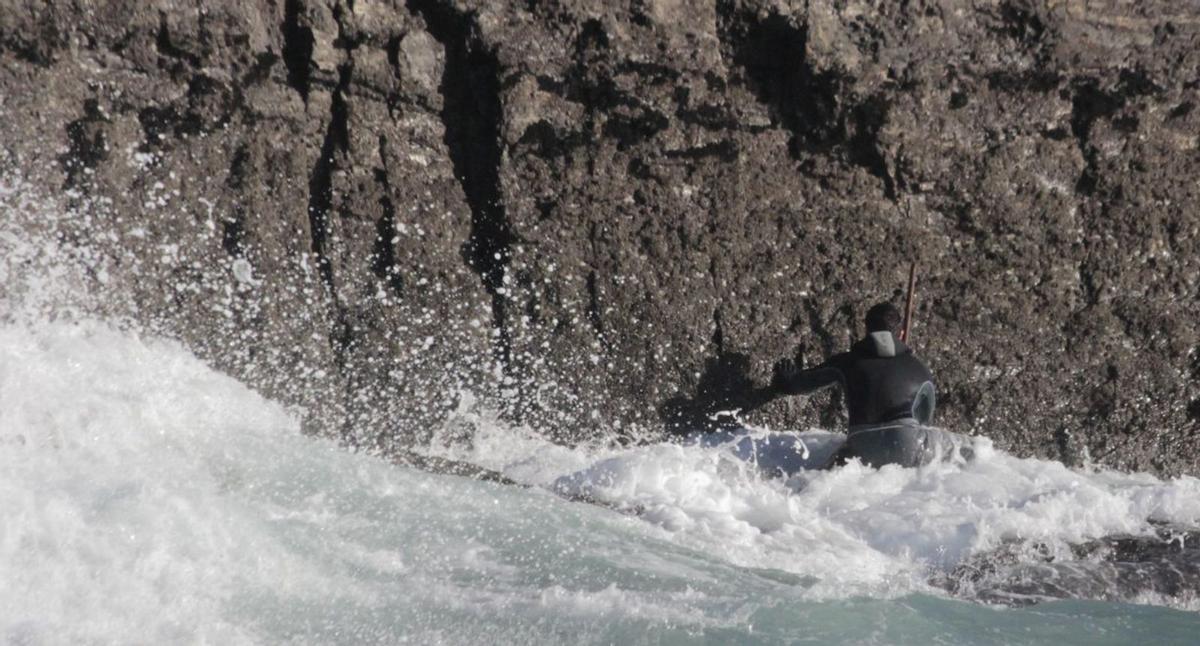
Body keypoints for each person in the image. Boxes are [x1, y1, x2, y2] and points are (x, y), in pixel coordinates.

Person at [769, 302, 967, 468]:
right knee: (968, 451)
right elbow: (925, 422)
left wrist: (786, 378)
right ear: (902, 332)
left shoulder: (846, 362)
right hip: (908, 444)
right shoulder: (919, 369)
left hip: (862, 446)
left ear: (866, 330)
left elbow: (797, 385)